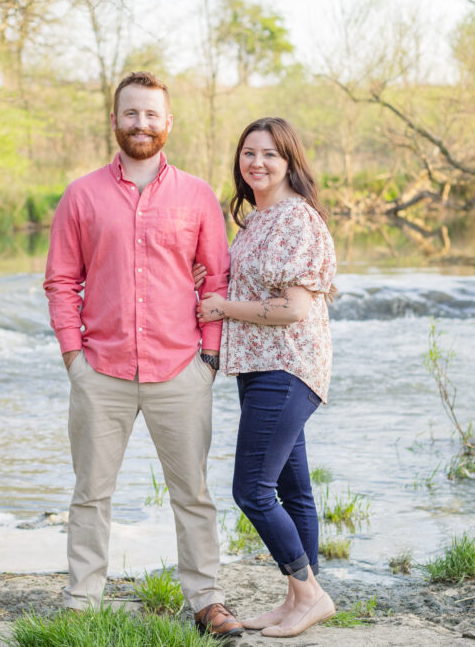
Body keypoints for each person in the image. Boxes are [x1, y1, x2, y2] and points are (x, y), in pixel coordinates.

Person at [43, 72, 242, 639]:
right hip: (99, 371)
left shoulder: (198, 196)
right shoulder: (81, 195)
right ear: (114, 121)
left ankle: (206, 599)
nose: (141, 124)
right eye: (131, 114)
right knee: (90, 494)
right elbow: (61, 281)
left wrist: (209, 359)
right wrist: (72, 358)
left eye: (152, 115)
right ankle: (82, 600)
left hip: (180, 369)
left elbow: (217, 282)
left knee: (194, 495)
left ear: (168, 123)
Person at [196, 116, 337, 638]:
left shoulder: (296, 219)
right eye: (248, 153)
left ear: (289, 162)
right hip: (260, 368)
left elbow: (292, 309)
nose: (256, 162)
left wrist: (221, 307)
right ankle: (299, 598)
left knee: (252, 489)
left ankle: (309, 595)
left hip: (288, 366)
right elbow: (250, 287)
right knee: (292, 487)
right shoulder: (257, 221)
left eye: (269, 154)